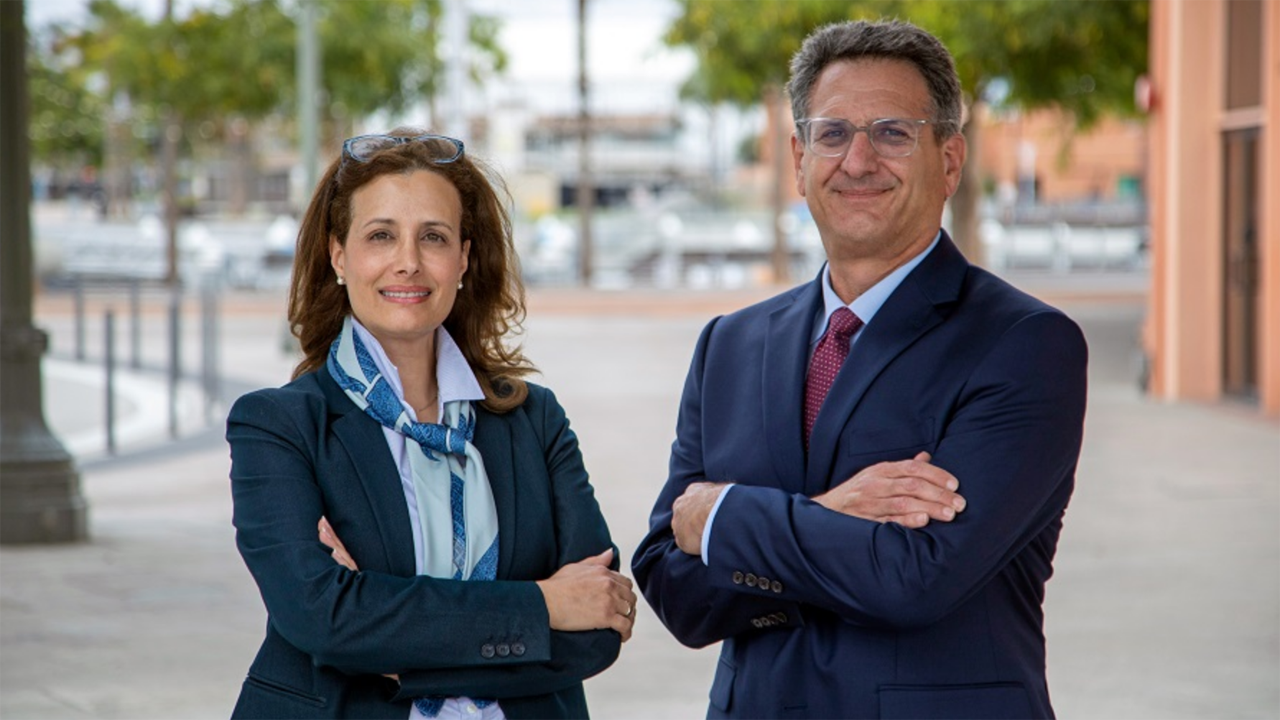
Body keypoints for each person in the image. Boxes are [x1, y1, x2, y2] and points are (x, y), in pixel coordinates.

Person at [632, 19, 1087, 720]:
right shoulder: (730, 344)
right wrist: (826, 515)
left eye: (893, 132)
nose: (859, 159)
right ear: (798, 157)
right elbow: (675, 591)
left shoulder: (1025, 345)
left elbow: (917, 581)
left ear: (951, 158)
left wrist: (724, 515)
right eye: (833, 133)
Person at [227, 128, 636, 720]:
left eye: (434, 237)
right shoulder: (278, 426)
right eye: (381, 235)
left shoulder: (535, 419)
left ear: (465, 259)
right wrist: (543, 604)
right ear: (338, 254)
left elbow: (595, 626)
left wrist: (388, 640)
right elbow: (319, 616)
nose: (409, 262)